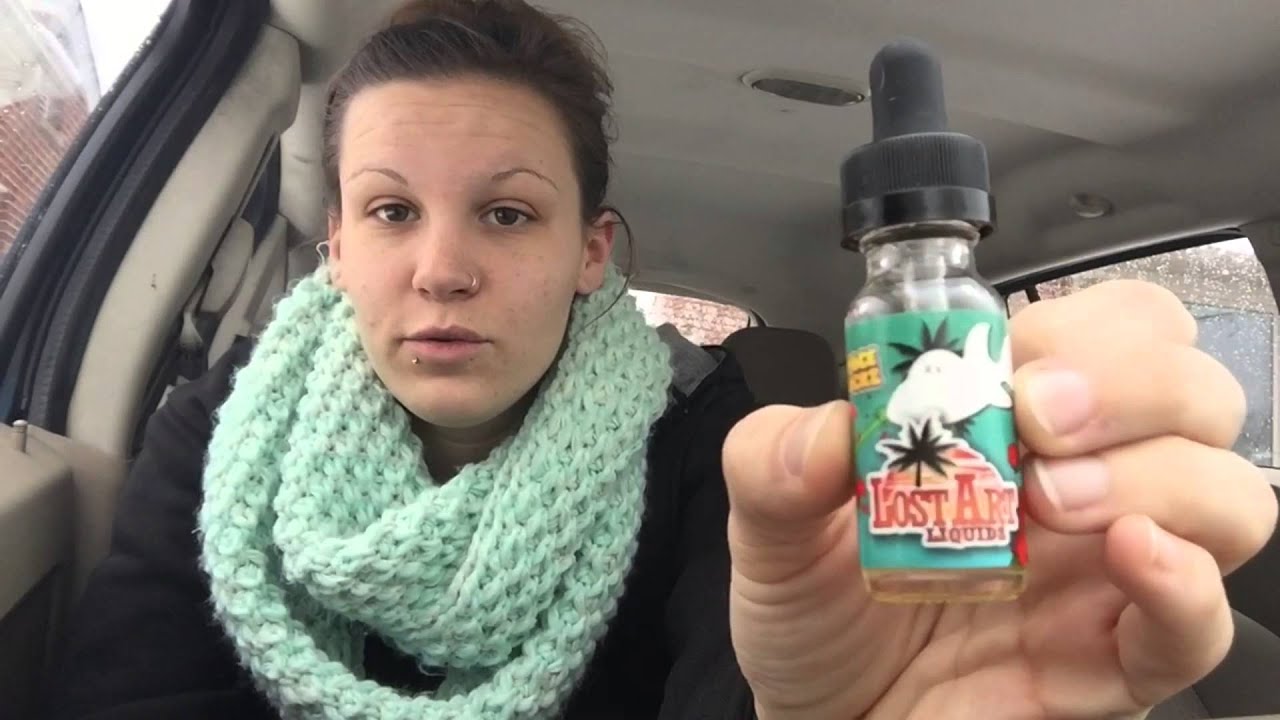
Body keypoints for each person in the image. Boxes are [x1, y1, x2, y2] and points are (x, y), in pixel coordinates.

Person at [50, 0, 1277, 718]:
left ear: (591, 253)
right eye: (389, 211)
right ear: (334, 245)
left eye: (507, 213)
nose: (440, 268)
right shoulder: (218, 434)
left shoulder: (704, 452)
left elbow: (730, 680)